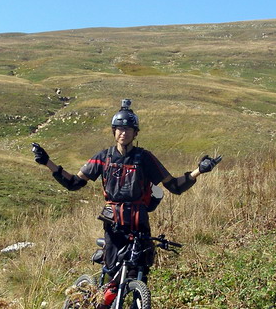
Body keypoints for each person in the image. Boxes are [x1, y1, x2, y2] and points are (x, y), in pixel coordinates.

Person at [31, 98, 220, 278]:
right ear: (114, 131)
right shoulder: (103, 157)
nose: (124, 133)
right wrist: (48, 162)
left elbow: (174, 186)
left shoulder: (145, 158)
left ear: (135, 133)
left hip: (139, 221)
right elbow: (74, 183)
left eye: (128, 129)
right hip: (113, 222)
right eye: (120, 129)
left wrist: (199, 171)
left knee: (140, 270)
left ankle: (137, 299)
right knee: (112, 271)